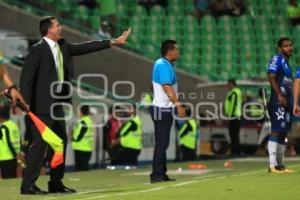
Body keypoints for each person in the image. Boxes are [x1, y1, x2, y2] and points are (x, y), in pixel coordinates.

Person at [19, 16, 131, 194]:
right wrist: (24, 102)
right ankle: (28, 186)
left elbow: (84, 47)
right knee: (39, 144)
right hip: (40, 107)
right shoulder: (37, 50)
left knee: (60, 143)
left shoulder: (62, 46)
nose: (60, 27)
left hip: (56, 107)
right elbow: (26, 78)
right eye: (57, 25)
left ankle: (56, 183)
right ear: (49, 30)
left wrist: (112, 42)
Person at [150, 40, 186, 183]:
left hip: (163, 108)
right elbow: (167, 87)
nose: (178, 52)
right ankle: (156, 175)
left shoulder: (165, 64)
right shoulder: (163, 65)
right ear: (169, 51)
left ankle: (161, 173)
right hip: (161, 109)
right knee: (161, 143)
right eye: (176, 49)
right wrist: (178, 105)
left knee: (163, 143)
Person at [267, 37, 294, 174]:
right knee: (276, 131)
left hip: (287, 103)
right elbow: (271, 76)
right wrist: (279, 95)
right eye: (286, 46)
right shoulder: (276, 59)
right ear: (280, 48)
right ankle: (272, 166)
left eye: (290, 45)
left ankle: (280, 164)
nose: (289, 48)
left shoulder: (287, 63)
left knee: (283, 133)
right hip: (278, 101)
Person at [0, 104, 22, 179]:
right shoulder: (13, 125)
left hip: (5, 158)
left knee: (7, 179)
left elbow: (8, 142)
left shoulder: (4, 128)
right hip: (14, 157)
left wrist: (14, 154)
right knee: (13, 178)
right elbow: (18, 139)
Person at [71, 105, 94, 171]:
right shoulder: (89, 120)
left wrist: (73, 139)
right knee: (84, 168)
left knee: (80, 168)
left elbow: (80, 135)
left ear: (81, 112)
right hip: (87, 147)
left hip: (81, 148)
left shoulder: (83, 122)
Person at [224, 79, 242, 157]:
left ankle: (235, 152)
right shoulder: (236, 92)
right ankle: (236, 151)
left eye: (228, 84)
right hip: (236, 116)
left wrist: (229, 117)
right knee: (235, 135)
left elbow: (233, 106)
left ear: (232, 84)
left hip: (234, 116)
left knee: (233, 135)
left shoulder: (234, 92)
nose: (227, 86)